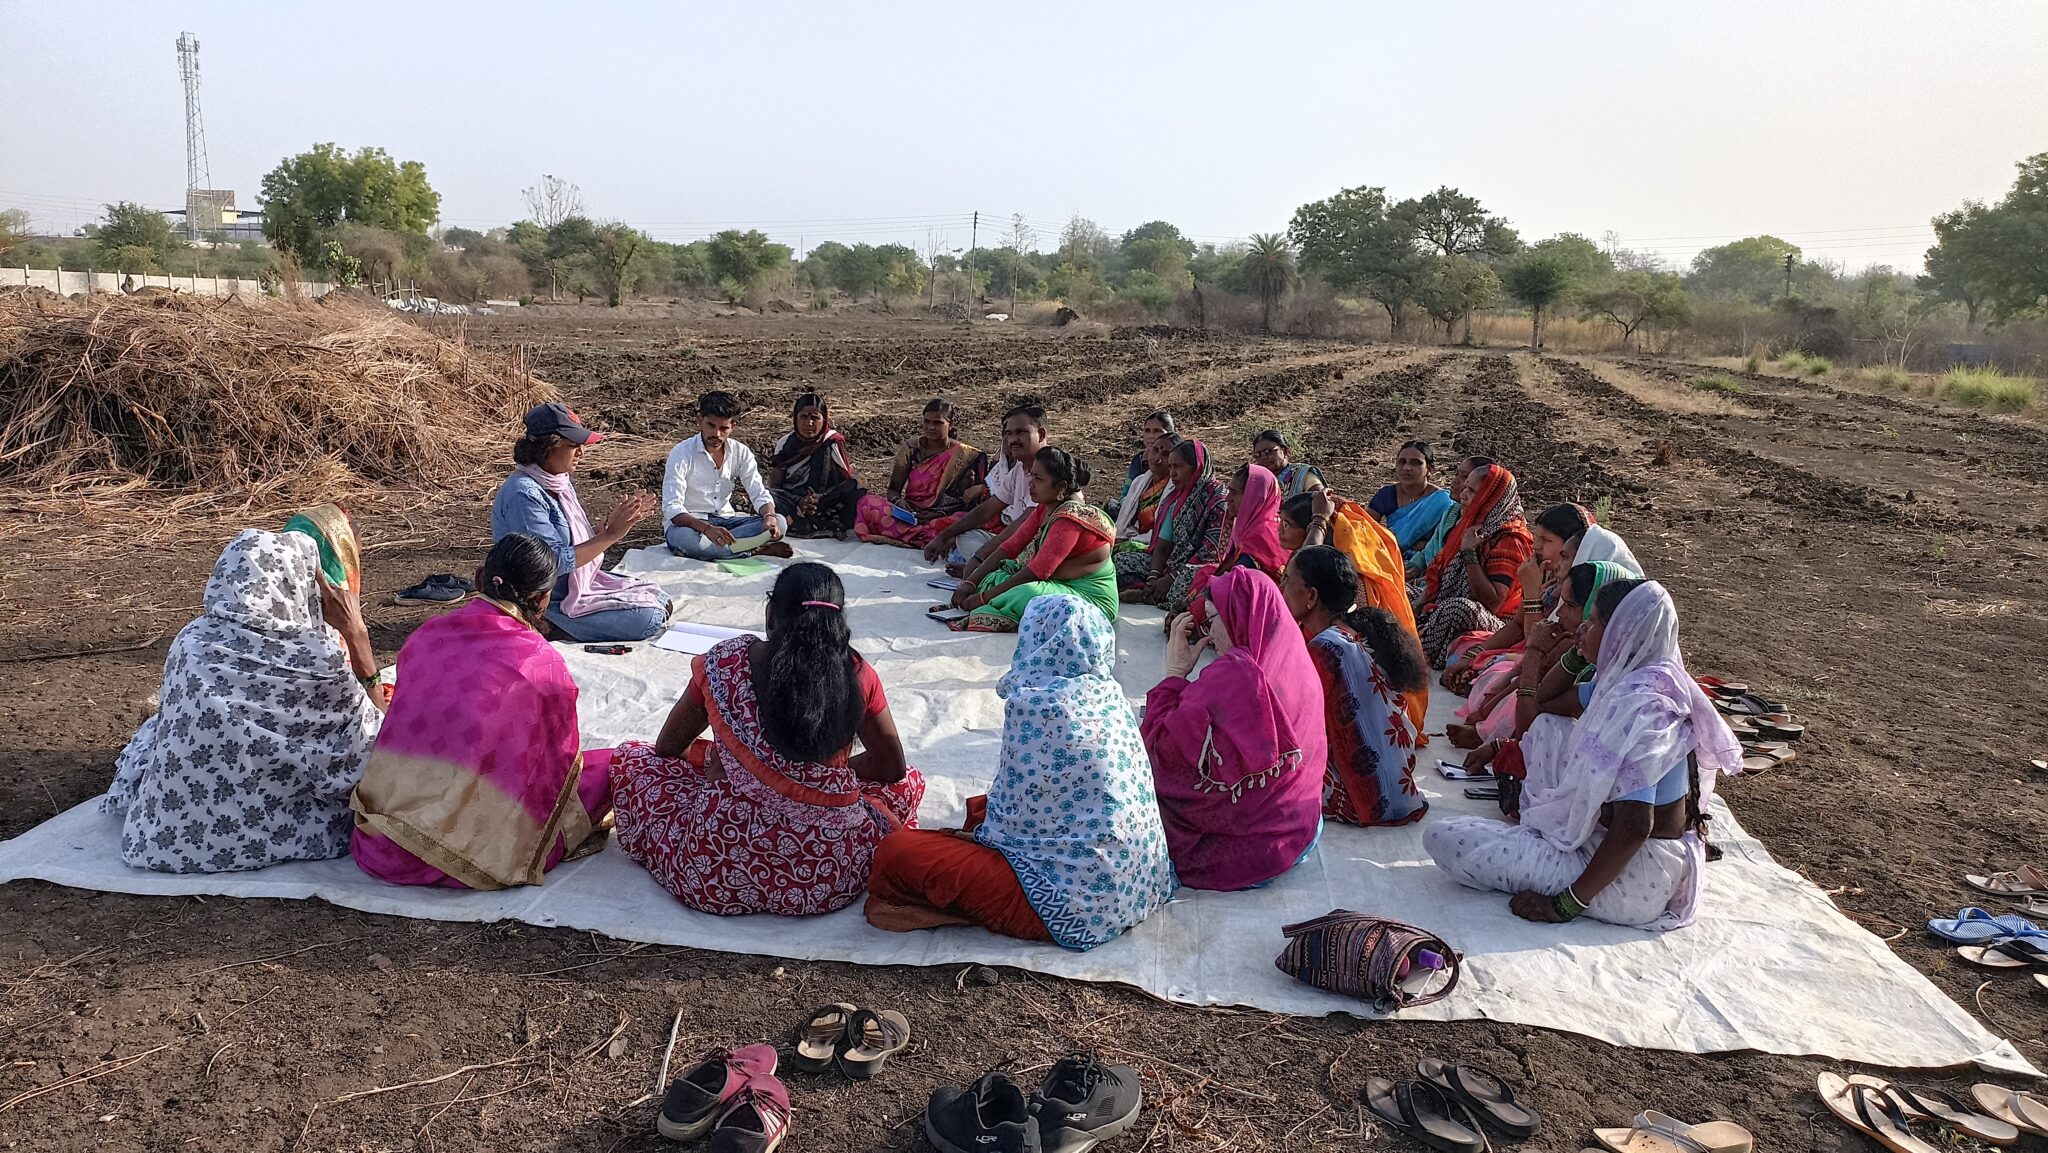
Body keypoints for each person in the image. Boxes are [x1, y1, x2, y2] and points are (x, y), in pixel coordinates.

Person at [1424, 580, 1743, 931]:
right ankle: (1554, 838)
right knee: (1549, 728)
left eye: (1592, 623)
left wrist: (1564, 904)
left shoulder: (1642, 708)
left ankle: (1565, 866)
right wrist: (1578, 651)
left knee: (1444, 838)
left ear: (1620, 634)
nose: (1581, 629)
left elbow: (1636, 826)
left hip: (1633, 880)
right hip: (1617, 851)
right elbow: (1545, 704)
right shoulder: (1630, 680)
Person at [609, 563, 925, 916]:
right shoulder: (858, 672)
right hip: (829, 875)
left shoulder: (725, 662)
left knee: (633, 760)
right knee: (907, 784)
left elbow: (667, 747)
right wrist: (818, 778)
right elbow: (892, 768)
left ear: (771, 613)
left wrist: (733, 763)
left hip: (714, 866)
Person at [865, 595, 1177, 949]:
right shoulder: (1109, 695)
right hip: (1136, 886)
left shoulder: (1038, 705)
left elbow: (1009, 823)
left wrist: (974, 838)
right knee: (981, 809)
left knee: (896, 852)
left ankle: (959, 914)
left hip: (1073, 906)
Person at [103, 523, 384, 873]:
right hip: (282, 833)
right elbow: (377, 749)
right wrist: (357, 639)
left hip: (164, 836)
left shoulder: (190, 642)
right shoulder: (315, 658)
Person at [350, 534, 614, 889]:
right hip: (470, 854)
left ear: (479, 579)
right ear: (541, 598)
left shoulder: (427, 636)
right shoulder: (542, 666)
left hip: (383, 840)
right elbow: (556, 773)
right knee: (612, 768)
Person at [1142, 568, 1326, 891]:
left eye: (1213, 619)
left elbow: (1156, 760)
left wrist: (1173, 676)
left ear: (1239, 616)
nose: (1210, 635)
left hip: (1238, 852)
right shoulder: (1296, 659)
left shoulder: (1234, 677)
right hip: (1298, 831)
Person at [492, 403, 672, 643]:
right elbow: (550, 564)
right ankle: (548, 623)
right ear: (547, 448)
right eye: (573, 446)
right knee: (647, 618)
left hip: (569, 585)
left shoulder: (558, 481)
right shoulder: (523, 495)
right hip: (543, 597)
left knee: (660, 599)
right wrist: (611, 536)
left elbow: (574, 538)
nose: (581, 453)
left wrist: (611, 525)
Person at [1282, 546, 1428, 828]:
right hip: (1398, 791)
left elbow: (1292, 724)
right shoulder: (1358, 632)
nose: (1282, 588)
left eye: (1288, 580)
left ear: (1311, 596)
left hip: (1363, 801)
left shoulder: (1324, 648)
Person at [1279, 490, 1429, 736]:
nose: (1282, 589)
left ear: (1313, 595)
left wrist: (1318, 519)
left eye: (1287, 525)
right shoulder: (1329, 601)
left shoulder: (1333, 642)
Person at [948, 447, 1117, 632]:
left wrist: (983, 598)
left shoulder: (1069, 520)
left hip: (1088, 599)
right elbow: (1009, 547)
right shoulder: (1045, 508)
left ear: (1061, 487)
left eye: (1038, 479)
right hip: (1056, 584)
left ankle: (995, 605)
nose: (1030, 484)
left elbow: (1037, 572)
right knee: (995, 576)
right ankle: (997, 601)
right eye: (1031, 476)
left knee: (1028, 593)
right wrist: (970, 582)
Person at [1412, 462, 1534, 668]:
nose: (1463, 495)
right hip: (1446, 604)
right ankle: (1409, 631)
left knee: (1459, 608)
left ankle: (1413, 648)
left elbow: (1493, 603)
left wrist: (1469, 554)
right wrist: (1418, 604)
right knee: (1402, 590)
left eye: (1472, 491)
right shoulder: (1470, 526)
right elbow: (1437, 579)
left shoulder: (1509, 540)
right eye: (1465, 487)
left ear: (1491, 498)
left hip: (1499, 622)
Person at [663, 390, 793, 561]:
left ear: (733, 427)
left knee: (780, 522)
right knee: (690, 542)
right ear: (700, 420)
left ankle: (725, 550)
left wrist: (769, 517)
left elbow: (758, 492)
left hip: (728, 522)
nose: (716, 434)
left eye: (723, 428)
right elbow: (672, 508)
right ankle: (752, 550)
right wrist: (707, 529)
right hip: (691, 525)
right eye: (711, 425)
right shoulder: (681, 453)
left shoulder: (740, 452)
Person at [853, 399, 990, 549]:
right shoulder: (911, 449)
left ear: (950, 424)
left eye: (937, 423)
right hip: (910, 514)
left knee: (958, 523)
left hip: (941, 517)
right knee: (866, 502)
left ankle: (920, 537)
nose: (930, 427)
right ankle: (923, 539)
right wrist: (900, 503)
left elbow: (973, 503)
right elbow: (893, 490)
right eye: (926, 421)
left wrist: (940, 514)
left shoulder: (967, 456)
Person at [926, 404, 1049, 569]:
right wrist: (943, 536)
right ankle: (993, 568)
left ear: (1041, 435)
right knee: (964, 537)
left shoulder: (1050, 470)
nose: (1012, 440)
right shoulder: (1020, 468)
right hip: (1017, 543)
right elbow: (986, 510)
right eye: (1008, 434)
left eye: (1021, 432)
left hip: (1041, 549)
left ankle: (993, 570)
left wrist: (978, 562)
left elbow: (1024, 526)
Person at [1116, 439, 1229, 615]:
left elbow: (1210, 554)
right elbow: (1163, 544)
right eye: (1170, 467)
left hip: (1195, 569)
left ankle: (1148, 596)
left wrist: (1170, 578)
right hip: (1170, 565)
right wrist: (1153, 576)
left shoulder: (1218, 499)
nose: (1172, 473)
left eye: (1178, 467)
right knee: (1121, 562)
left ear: (1196, 467)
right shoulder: (1176, 498)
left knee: (1190, 582)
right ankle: (1152, 591)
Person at [1181, 462, 1291, 619]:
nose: (1227, 498)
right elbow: (1228, 568)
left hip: (1262, 606)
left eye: (1234, 493)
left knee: (1202, 608)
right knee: (1204, 574)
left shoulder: (1261, 536)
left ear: (1253, 497)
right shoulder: (1248, 526)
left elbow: (1235, 583)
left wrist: (1194, 603)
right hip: (1243, 588)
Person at [766, 392, 862, 539]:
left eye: (815, 418)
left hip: (824, 504)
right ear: (795, 418)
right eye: (804, 417)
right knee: (766, 496)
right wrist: (799, 501)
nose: (809, 423)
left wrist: (820, 498)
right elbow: (776, 485)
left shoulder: (832, 442)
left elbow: (844, 480)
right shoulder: (785, 443)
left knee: (859, 484)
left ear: (824, 420)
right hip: (794, 503)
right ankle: (804, 524)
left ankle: (813, 523)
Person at [1368, 440, 1457, 576]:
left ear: (1430, 469)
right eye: (1402, 462)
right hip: (1388, 557)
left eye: (1416, 463)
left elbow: (1442, 541)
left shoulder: (1442, 501)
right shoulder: (1386, 495)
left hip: (1425, 565)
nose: (1407, 468)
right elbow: (1364, 528)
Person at [1110, 434, 1174, 546]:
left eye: (1165, 455)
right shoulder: (1139, 482)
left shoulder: (1175, 489)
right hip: (1129, 538)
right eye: (1155, 450)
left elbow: (1163, 534)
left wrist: (1132, 541)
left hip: (1153, 544)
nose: (1157, 458)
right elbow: (1123, 522)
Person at [1252, 429, 1325, 498]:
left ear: (1285, 451)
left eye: (1269, 451)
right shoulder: (1255, 480)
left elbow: (1322, 499)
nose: (1264, 457)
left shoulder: (1302, 474)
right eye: (1258, 454)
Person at [1125, 410, 1177, 483]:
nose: (1151, 436)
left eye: (1157, 431)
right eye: (1147, 431)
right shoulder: (1139, 460)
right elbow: (1127, 489)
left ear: (1170, 434)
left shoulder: (1177, 460)